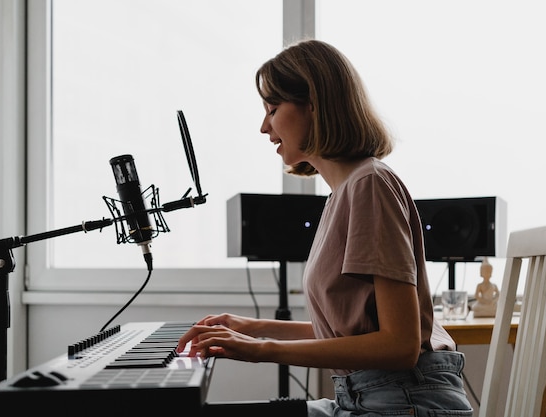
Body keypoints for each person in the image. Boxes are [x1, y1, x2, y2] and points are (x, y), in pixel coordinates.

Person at [177, 39, 473, 417]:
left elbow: (400, 346)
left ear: (314, 104)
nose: (264, 126)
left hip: (403, 403)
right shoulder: (343, 195)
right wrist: (251, 327)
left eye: (272, 108)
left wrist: (262, 350)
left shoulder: (370, 186)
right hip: (370, 398)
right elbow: (351, 336)